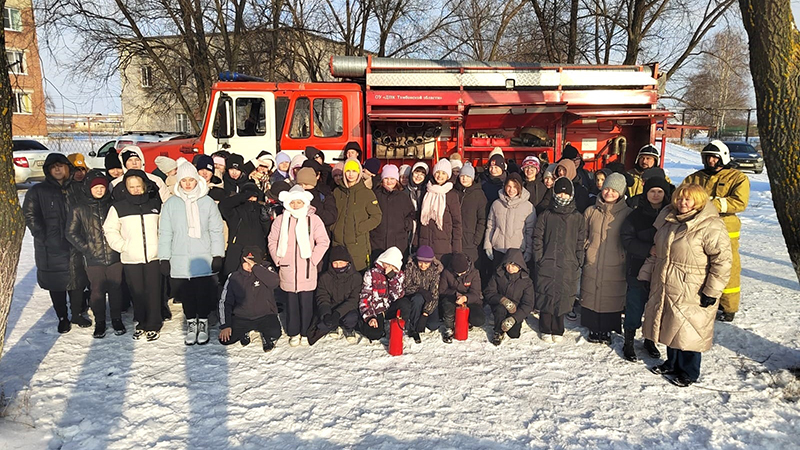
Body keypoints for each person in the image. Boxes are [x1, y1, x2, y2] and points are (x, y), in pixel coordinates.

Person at [640, 184, 732, 387]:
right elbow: (657, 252)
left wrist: (712, 290)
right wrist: (647, 275)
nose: (682, 203)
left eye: (688, 200)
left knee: (689, 329)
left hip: (693, 286)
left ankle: (689, 371)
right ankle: (672, 362)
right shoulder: (670, 220)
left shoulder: (710, 226)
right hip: (667, 281)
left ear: (698, 202)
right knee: (671, 324)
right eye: (680, 199)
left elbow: (723, 261)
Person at [158, 162, 225, 345]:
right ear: (179, 182)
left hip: (202, 256)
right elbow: (165, 232)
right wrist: (164, 257)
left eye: (191, 180)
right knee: (186, 293)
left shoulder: (207, 202)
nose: (188, 184)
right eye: (184, 181)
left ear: (197, 181)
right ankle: (191, 324)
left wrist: (217, 254)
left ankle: (202, 322)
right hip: (180, 257)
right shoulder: (171, 203)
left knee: (202, 292)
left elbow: (216, 230)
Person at [682, 140, 749, 322]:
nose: (711, 161)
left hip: (726, 228)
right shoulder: (694, 178)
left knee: (728, 267)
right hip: (698, 227)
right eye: (708, 157)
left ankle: (728, 307)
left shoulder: (737, 178)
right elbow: (682, 195)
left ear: (723, 158)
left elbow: (740, 202)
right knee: (700, 265)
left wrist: (710, 203)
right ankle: (704, 298)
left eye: (714, 157)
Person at [24, 153, 90, 333]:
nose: (58, 169)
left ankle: (77, 314)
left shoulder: (77, 188)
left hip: (76, 243)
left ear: (68, 168)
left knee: (77, 280)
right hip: (51, 245)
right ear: (48, 170)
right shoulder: (37, 191)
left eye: (61, 165)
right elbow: (30, 216)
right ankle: (62, 316)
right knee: (57, 283)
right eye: (54, 167)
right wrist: (43, 236)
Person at [103, 170, 163, 341]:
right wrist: (123, 246)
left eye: (138, 186)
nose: (135, 190)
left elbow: (164, 227)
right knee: (137, 291)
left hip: (154, 256)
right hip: (131, 257)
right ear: (126, 188)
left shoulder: (155, 204)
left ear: (144, 185)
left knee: (153, 291)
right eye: (131, 187)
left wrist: (162, 247)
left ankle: (153, 323)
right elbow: (110, 229)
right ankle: (141, 322)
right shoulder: (119, 207)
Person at [268, 185, 331, 346]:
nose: (295, 205)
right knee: (291, 303)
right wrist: (278, 259)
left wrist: (313, 259)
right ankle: (293, 332)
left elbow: (323, 241)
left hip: (307, 269)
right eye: (293, 202)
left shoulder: (313, 219)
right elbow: (272, 240)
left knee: (306, 303)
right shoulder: (281, 220)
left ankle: (305, 331)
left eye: (299, 202)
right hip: (288, 268)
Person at [66, 171, 125, 338]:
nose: (99, 190)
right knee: (97, 290)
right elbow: (70, 232)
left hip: (114, 255)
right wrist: (86, 247)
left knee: (115, 288)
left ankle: (116, 319)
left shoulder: (113, 206)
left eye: (102, 187)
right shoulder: (78, 208)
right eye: (96, 187)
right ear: (88, 188)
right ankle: (100, 321)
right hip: (93, 258)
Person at [620, 175, 671, 361]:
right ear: (646, 193)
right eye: (652, 191)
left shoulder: (672, 215)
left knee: (654, 308)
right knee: (635, 305)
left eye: (659, 192)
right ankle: (629, 341)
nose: (656, 195)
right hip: (638, 268)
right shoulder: (635, 215)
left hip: (662, 270)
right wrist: (647, 249)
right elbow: (626, 239)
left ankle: (650, 340)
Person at [579, 173, 632, 343]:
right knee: (591, 291)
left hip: (615, 260)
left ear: (621, 193)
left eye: (614, 190)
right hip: (593, 258)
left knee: (611, 295)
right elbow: (583, 234)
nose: (609, 193)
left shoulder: (627, 213)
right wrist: (586, 247)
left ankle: (607, 329)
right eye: (607, 188)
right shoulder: (591, 211)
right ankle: (594, 327)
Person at [533, 177, 586, 343]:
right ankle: (545, 327)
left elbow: (580, 240)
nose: (562, 196)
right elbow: (537, 238)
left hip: (568, 262)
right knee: (546, 292)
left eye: (566, 193)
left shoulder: (577, 217)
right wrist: (539, 257)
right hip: (547, 260)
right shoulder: (546, 215)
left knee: (563, 294)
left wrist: (579, 259)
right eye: (559, 192)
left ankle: (558, 328)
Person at [218, 247, 282, 352]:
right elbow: (225, 302)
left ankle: (267, 337)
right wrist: (226, 325)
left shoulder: (266, 271)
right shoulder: (234, 277)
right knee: (225, 339)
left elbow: (274, 282)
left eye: (251, 263)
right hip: (242, 317)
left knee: (275, 333)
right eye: (246, 263)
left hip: (265, 315)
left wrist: (256, 268)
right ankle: (244, 332)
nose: (249, 267)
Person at [332, 159, 383, 272]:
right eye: (348, 171)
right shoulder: (337, 192)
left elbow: (376, 216)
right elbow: (331, 213)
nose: (351, 174)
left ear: (359, 173)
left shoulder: (367, 193)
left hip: (358, 244)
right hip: (338, 243)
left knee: (358, 276)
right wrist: (334, 228)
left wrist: (360, 228)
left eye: (354, 171)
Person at [308, 246, 362, 344]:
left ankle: (349, 329)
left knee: (351, 318)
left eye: (341, 262)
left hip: (347, 309)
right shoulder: (325, 278)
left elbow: (354, 300)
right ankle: (333, 326)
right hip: (331, 308)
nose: (338, 266)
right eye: (335, 263)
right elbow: (322, 297)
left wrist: (338, 313)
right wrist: (326, 313)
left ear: (348, 262)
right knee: (323, 323)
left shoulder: (356, 277)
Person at [484, 173, 536, 268]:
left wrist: (529, 250)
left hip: (517, 251)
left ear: (520, 187)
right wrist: (487, 244)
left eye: (515, 187)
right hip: (498, 249)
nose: (511, 190)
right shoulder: (496, 204)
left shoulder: (528, 207)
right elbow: (490, 226)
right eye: (509, 186)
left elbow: (530, 231)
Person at [484, 249, 535, 346]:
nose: (510, 268)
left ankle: (513, 320)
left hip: (516, 310)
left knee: (514, 334)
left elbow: (528, 304)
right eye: (508, 264)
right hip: (500, 305)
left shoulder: (526, 282)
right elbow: (489, 292)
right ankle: (498, 332)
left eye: (514, 265)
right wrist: (502, 299)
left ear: (519, 266)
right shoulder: (498, 275)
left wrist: (514, 318)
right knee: (500, 309)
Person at [358, 247, 407, 343]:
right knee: (374, 334)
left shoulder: (399, 275)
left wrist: (392, 278)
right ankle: (362, 324)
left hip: (390, 307)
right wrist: (370, 317)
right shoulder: (371, 274)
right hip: (376, 310)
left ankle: (399, 326)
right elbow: (365, 297)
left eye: (392, 266)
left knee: (405, 304)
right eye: (387, 264)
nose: (388, 268)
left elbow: (398, 295)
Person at [416, 159, 463, 259]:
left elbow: (457, 223)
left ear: (448, 176)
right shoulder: (427, 191)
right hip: (425, 243)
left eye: (443, 173)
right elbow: (420, 220)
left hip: (444, 247)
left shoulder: (452, 195)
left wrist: (456, 250)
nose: (440, 176)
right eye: (437, 172)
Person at [400, 245, 443, 343]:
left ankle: (422, 317)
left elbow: (435, 294)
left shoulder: (435, 270)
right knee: (418, 298)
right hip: (415, 298)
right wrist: (420, 289)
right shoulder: (411, 267)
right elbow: (405, 287)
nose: (423, 265)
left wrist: (425, 314)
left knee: (433, 325)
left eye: (426, 263)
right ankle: (414, 327)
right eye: (421, 262)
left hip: (429, 299)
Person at [370, 164, 415, 258]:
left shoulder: (403, 197)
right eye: (386, 178)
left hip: (398, 242)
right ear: (382, 180)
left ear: (396, 180)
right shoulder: (375, 195)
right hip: (378, 241)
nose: (389, 181)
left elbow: (411, 215)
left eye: (392, 178)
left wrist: (406, 224)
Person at [439, 253, 485, 343]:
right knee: (448, 306)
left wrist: (465, 298)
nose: (460, 275)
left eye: (462, 273)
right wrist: (455, 294)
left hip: (470, 299)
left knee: (479, 320)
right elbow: (442, 290)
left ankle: (468, 322)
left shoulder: (474, 273)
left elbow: (476, 293)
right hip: (452, 297)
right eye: (457, 273)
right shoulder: (447, 272)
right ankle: (449, 328)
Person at [455, 163, 487, 271]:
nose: (464, 179)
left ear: (472, 178)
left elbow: (482, 219)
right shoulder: (454, 192)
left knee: (472, 269)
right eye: (462, 176)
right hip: (455, 238)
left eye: (468, 176)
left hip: (471, 240)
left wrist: (476, 240)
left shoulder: (479, 195)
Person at [296, 165, 338, 230]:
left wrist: (315, 206)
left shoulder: (324, 195)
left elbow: (330, 218)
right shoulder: (294, 196)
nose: (303, 187)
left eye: (306, 184)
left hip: (320, 233)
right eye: (300, 185)